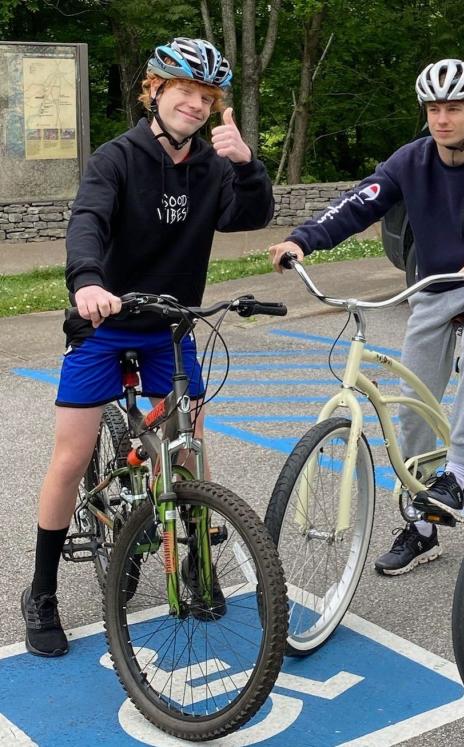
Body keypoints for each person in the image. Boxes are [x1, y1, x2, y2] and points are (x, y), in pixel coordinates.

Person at [23, 37, 275, 657]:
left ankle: (196, 566)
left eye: (204, 96)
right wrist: (87, 283)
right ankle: (42, 590)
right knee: (69, 454)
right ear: (155, 91)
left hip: (169, 327)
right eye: (182, 91)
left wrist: (246, 163)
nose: (193, 103)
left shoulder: (212, 167)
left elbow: (253, 216)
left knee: (188, 448)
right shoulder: (116, 158)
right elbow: (88, 220)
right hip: (105, 324)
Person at [269, 58, 464, 576]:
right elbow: (357, 203)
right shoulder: (410, 162)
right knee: (415, 401)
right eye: (434, 109)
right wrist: (302, 240)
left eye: (453, 108)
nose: (442, 119)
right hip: (433, 287)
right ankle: (421, 527)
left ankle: (457, 473)